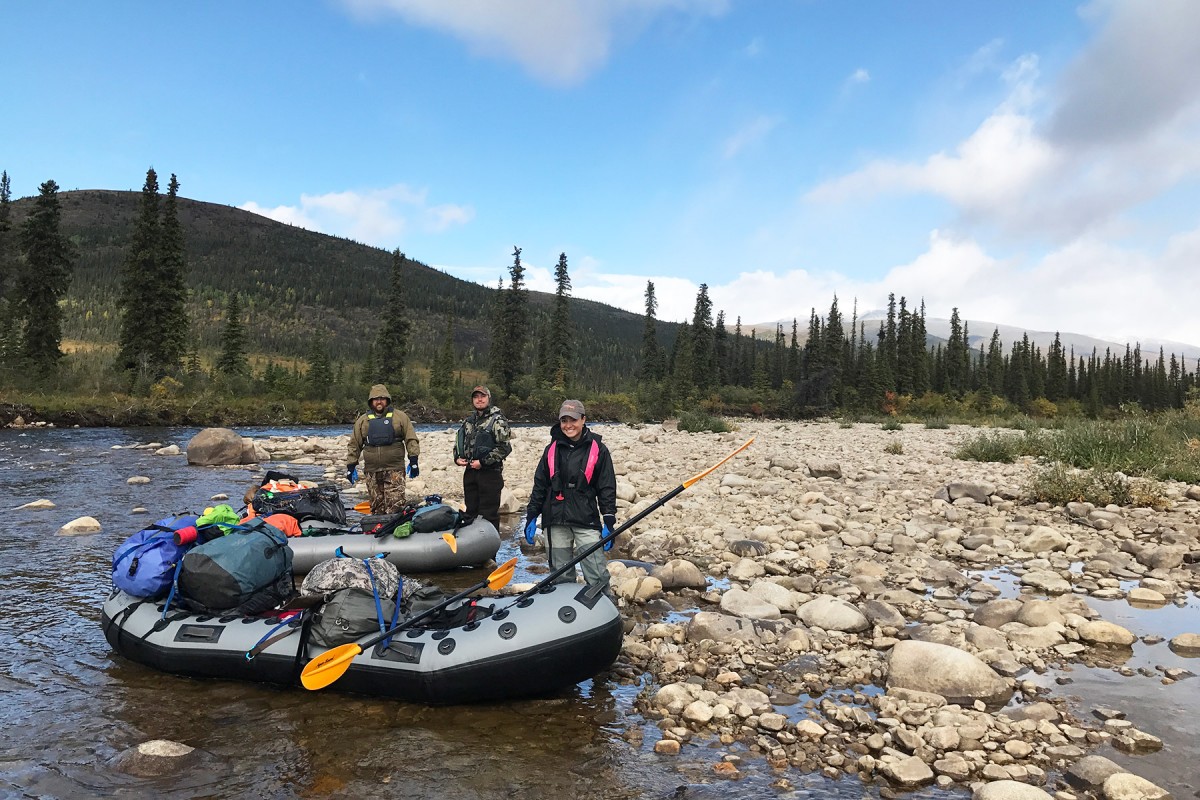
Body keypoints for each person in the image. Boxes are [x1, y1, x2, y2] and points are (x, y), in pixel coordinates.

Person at [524, 399, 617, 597]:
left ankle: (605, 608)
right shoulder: (551, 450)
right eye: (564, 420)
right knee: (561, 576)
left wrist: (609, 518)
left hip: (586, 518)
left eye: (573, 420)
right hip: (555, 518)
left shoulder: (599, 450)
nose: (568, 425)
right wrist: (532, 515)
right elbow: (540, 485)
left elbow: (607, 487)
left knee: (596, 571)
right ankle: (567, 616)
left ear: (583, 420)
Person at [345, 384, 421, 515]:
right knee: (376, 507)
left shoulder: (400, 417)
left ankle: (394, 531)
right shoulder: (363, 421)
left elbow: (411, 439)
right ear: (371, 402)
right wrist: (351, 466)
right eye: (375, 399)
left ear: (387, 400)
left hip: (394, 469)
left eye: (382, 398)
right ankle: (377, 530)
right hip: (372, 471)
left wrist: (413, 461)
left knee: (395, 506)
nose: (379, 401)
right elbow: (354, 444)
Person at [453, 385, 512, 532]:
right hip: (470, 473)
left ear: (488, 398)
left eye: (482, 396)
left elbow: (505, 448)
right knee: (470, 513)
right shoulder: (468, 422)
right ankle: (474, 551)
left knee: (489, 515)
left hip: (490, 474)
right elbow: (459, 444)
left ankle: (491, 553)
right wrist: (457, 458)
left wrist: (483, 462)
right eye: (476, 397)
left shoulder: (497, 420)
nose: (479, 399)